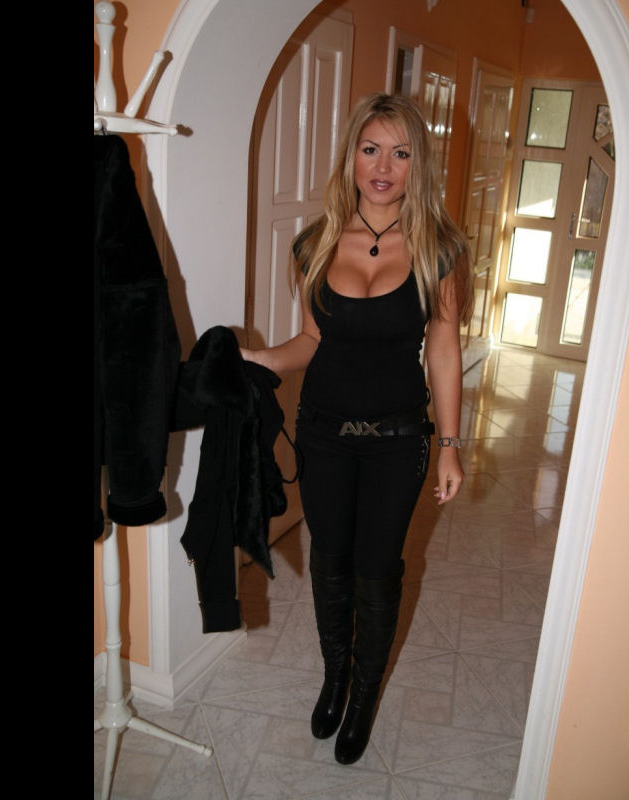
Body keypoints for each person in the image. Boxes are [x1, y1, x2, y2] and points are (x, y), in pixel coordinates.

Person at [240, 92, 474, 765]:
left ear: (417, 165)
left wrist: (450, 446)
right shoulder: (313, 244)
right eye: (371, 150)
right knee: (329, 561)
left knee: (378, 569)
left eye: (400, 154)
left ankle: (365, 693)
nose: (383, 167)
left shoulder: (440, 249)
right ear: (350, 157)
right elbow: (312, 340)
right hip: (323, 435)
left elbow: (444, 352)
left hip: (399, 441)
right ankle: (333, 676)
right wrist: (260, 359)